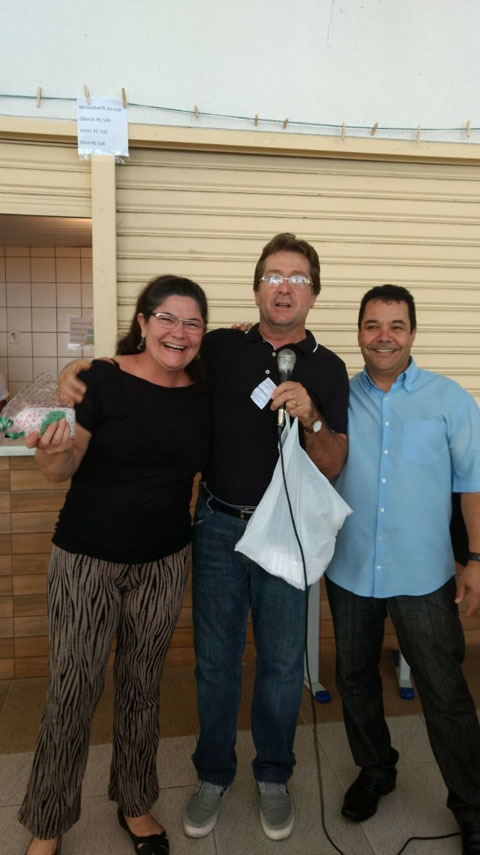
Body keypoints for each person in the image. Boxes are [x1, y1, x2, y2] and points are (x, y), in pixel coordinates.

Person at [59, 233, 350, 842]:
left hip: (285, 530)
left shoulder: (328, 367)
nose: (285, 288)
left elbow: (333, 463)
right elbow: (150, 366)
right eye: (274, 276)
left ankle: (273, 775)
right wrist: (80, 370)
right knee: (216, 663)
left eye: (298, 278)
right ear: (256, 287)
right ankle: (213, 774)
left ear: (315, 293)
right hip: (217, 525)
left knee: (281, 664)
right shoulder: (217, 346)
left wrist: (313, 417)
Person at [19, 275, 211, 855]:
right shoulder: (100, 378)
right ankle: (48, 823)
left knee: (141, 688)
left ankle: (135, 802)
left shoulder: (204, 391)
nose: (179, 332)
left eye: (193, 322)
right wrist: (53, 450)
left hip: (164, 562)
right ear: (144, 322)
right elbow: (60, 468)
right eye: (167, 318)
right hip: (86, 559)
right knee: (73, 689)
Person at [325, 284, 480, 855]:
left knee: (445, 690)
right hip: (350, 569)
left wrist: (477, 561)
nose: (384, 336)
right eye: (372, 325)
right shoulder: (338, 398)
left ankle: (471, 804)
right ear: (359, 333)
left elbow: (473, 485)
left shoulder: (450, 398)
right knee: (354, 678)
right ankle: (376, 769)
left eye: (396, 325)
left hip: (424, 574)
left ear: (413, 332)